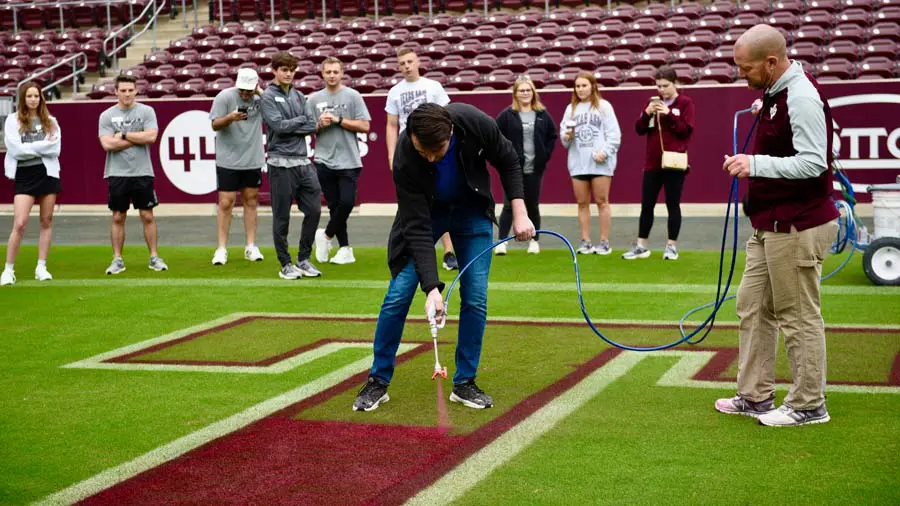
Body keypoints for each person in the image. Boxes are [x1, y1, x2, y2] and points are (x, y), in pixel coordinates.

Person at [352, 103, 535, 412]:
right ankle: (378, 381)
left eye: (437, 151)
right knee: (398, 294)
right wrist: (432, 289)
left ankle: (465, 383)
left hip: (472, 212)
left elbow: (508, 159)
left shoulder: (474, 121)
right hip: (426, 215)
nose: (431, 158)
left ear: (450, 132)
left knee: (475, 296)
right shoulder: (406, 155)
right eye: (424, 152)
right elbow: (417, 226)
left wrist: (518, 211)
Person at [715, 24, 839, 427]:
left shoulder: (801, 96)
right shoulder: (775, 93)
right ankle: (755, 395)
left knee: (798, 313)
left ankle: (808, 404)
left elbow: (814, 162)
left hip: (797, 224)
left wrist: (754, 164)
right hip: (769, 223)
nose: (741, 75)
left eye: (746, 68)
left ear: (771, 62)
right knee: (752, 306)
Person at [384, 48, 459, 271]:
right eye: (402, 63)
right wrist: (391, 154)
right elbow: (391, 125)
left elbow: (447, 117)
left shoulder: (432, 87)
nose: (406, 66)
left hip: (434, 149)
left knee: (441, 198)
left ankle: (448, 250)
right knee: (412, 204)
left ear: (418, 62)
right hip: (410, 154)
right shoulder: (395, 92)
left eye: (409, 61)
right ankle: (411, 251)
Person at [260, 51, 322, 280]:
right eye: (284, 69)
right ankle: (285, 262)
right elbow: (277, 126)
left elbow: (312, 126)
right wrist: (301, 123)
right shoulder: (267, 96)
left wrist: (297, 125)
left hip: (303, 162)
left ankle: (303, 259)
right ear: (275, 70)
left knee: (314, 210)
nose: (288, 73)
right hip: (279, 164)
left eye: (291, 70)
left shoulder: (299, 95)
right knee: (282, 216)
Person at [623, 66, 696, 261]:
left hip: (674, 162)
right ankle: (641, 245)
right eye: (658, 86)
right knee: (647, 205)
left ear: (675, 83)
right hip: (653, 163)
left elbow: (685, 131)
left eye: (665, 86)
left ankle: (671, 246)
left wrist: (669, 113)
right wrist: (647, 112)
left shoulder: (685, 103)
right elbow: (639, 129)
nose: (661, 90)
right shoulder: (652, 103)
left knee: (673, 204)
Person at [98, 74, 167, 275]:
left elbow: (152, 136)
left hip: (142, 171)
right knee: (118, 216)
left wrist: (125, 135)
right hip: (116, 172)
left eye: (130, 90)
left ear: (136, 90)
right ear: (116, 92)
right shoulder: (107, 115)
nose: (127, 94)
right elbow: (107, 143)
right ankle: (117, 259)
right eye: (123, 90)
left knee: (147, 215)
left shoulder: (147, 111)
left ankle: (154, 257)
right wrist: (139, 138)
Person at [308, 57, 371, 265]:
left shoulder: (353, 96)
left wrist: (339, 120)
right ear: (322, 74)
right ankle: (345, 248)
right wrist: (319, 124)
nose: (332, 75)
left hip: (349, 160)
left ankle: (325, 236)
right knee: (334, 206)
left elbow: (365, 126)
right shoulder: (313, 99)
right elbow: (306, 128)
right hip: (323, 159)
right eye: (328, 72)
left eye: (336, 72)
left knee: (347, 202)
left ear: (342, 73)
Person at [2, 82, 62, 286]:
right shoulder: (13, 120)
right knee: (20, 223)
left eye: (36, 96)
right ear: (23, 98)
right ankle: (8, 270)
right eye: (29, 96)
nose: (33, 99)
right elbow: (14, 149)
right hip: (24, 174)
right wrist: (40, 147)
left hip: (47, 173)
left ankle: (41, 267)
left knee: (46, 221)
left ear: (41, 98)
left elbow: (54, 148)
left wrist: (29, 146)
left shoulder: (51, 121)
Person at [494, 76, 558, 255]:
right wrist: (504, 157)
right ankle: (501, 241)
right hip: (512, 169)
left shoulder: (542, 114)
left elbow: (552, 136)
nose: (525, 93)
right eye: (521, 90)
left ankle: (534, 240)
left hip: (535, 168)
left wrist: (544, 155)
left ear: (533, 92)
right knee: (508, 205)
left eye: (528, 90)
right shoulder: (507, 115)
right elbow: (496, 136)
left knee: (532, 204)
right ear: (515, 93)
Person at [560, 71, 621, 255]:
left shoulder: (604, 107)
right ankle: (585, 241)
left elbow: (614, 135)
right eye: (577, 86)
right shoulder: (570, 109)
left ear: (593, 86)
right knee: (582, 203)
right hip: (579, 162)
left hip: (600, 162)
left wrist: (605, 152)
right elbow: (564, 141)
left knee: (602, 201)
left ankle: (604, 241)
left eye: (584, 85)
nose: (580, 89)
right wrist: (567, 136)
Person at [209, 68, 265, 266]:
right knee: (226, 202)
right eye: (242, 89)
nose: (245, 94)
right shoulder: (224, 97)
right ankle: (222, 248)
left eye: (249, 90)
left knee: (251, 200)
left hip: (252, 158)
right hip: (228, 159)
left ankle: (250, 246)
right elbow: (214, 124)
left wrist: (261, 93)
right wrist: (229, 118)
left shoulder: (260, 99)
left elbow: (279, 110)